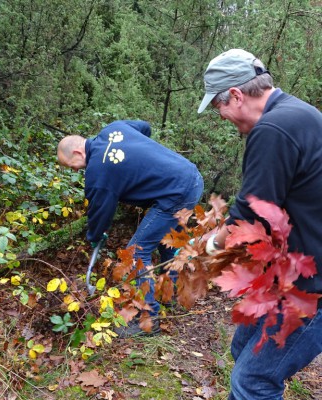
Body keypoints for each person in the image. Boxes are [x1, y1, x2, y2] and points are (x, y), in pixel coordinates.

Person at [198, 48, 322, 399]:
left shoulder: (274, 129)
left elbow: (251, 215)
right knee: (243, 352)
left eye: (219, 107)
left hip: (310, 286)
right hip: (286, 271)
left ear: (236, 95)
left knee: (253, 381)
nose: (222, 117)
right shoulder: (301, 113)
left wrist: (211, 245)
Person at [57, 120, 203, 337]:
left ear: (78, 152)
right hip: (191, 177)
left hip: (176, 194)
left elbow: (100, 212)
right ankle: (169, 295)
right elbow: (145, 127)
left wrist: (95, 236)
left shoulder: (98, 172)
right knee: (167, 242)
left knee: (136, 250)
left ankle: (147, 319)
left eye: (72, 165)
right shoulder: (113, 130)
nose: (76, 169)